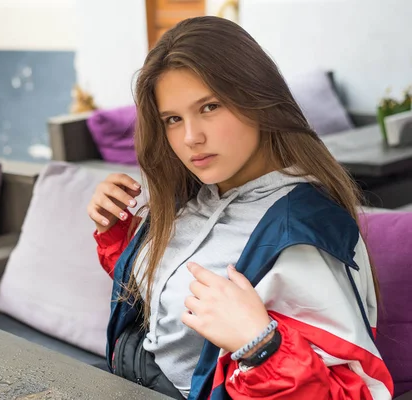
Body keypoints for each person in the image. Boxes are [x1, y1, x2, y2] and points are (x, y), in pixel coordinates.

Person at [86, 16, 393, 400]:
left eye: (210, 107)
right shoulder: (195, 194)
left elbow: (354, 392)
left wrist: (260, 346)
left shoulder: (300, 233)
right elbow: (171, 299)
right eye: (173, 119)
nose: (191, 137)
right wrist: (120, 235)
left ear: (256, 97)